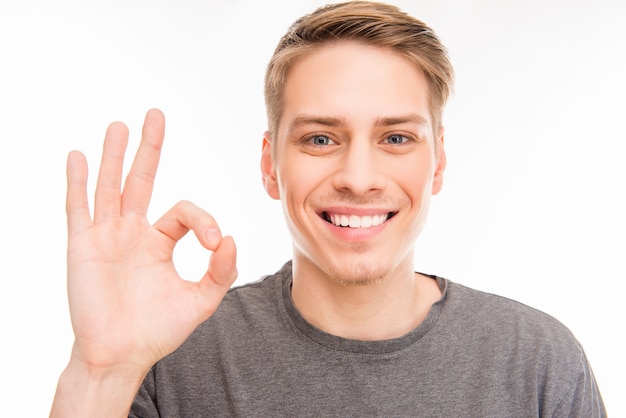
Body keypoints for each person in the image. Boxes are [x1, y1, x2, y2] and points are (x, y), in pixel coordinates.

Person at [50, 1, 605, 416]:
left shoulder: (539, 365)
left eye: (395, 139)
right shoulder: (171, 358)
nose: (358, 179)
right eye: (320, 139)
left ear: (437, 163)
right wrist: (99, 373)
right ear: (271, 165)